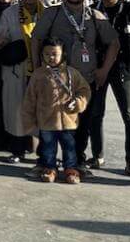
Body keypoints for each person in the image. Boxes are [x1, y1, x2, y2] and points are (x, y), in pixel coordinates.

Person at [30, 0, 119, 175]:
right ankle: (46, 163)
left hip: (85, 82)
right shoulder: (52, 14)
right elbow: (36, 39)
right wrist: (37, 69)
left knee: (82, 125)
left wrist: (104, 70)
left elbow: (114, 43)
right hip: (54, 82)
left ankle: (76, 163)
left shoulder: (96, 17)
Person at [93, 0, 130, 177]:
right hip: (97, 70)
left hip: (123, 70)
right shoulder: (91, 11)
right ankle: (97, 155)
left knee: (129, 115)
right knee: (95, 115)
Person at [21, 37, 91, 184]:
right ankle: (49, 168)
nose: (51, 58)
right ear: (42, 55)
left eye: (55, 54)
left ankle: (71, 169)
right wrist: (29, 122)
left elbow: (84, 90)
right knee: (48, 148)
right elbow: (29, 99)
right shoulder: (38, 75)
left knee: (70, 148)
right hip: (47, 122)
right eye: (47, 54)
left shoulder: (72, 73)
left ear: (63, 54)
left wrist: (78, 103)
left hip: (68, 121)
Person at [0, 0, 44, 163]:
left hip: (41, 69)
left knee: (41, 111)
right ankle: (17, 150)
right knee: (16, 110)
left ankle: (43, 153)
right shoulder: (10, 13)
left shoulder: (47, 13)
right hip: (17, 68)